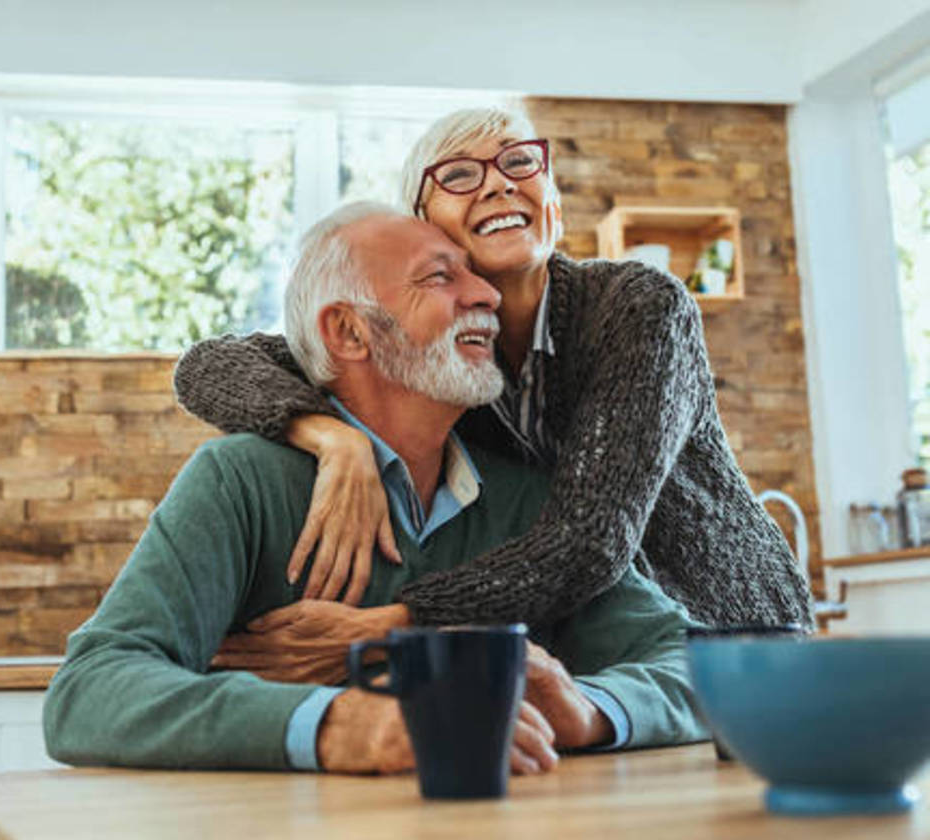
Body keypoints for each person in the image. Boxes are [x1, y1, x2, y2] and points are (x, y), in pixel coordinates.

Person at [43, 203, 706, 774]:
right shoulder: (239, 482)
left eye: (475, 276)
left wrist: (588, 710)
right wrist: (344, 725)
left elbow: (697, 667)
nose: (487, 296)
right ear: (350, 331)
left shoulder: (530, 503)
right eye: (440, 277)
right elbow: (89, 691)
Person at [173, 107, 813, 665]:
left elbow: (590, 539)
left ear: (552, 203)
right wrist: (334, 439)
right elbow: (208, 365)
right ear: (423, 225)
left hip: (727, 637)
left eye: (518, 163)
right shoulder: (431, 354)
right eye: (458, 174)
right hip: (590, 652)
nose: (499, 182)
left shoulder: (639, 307)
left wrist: (392, 627)